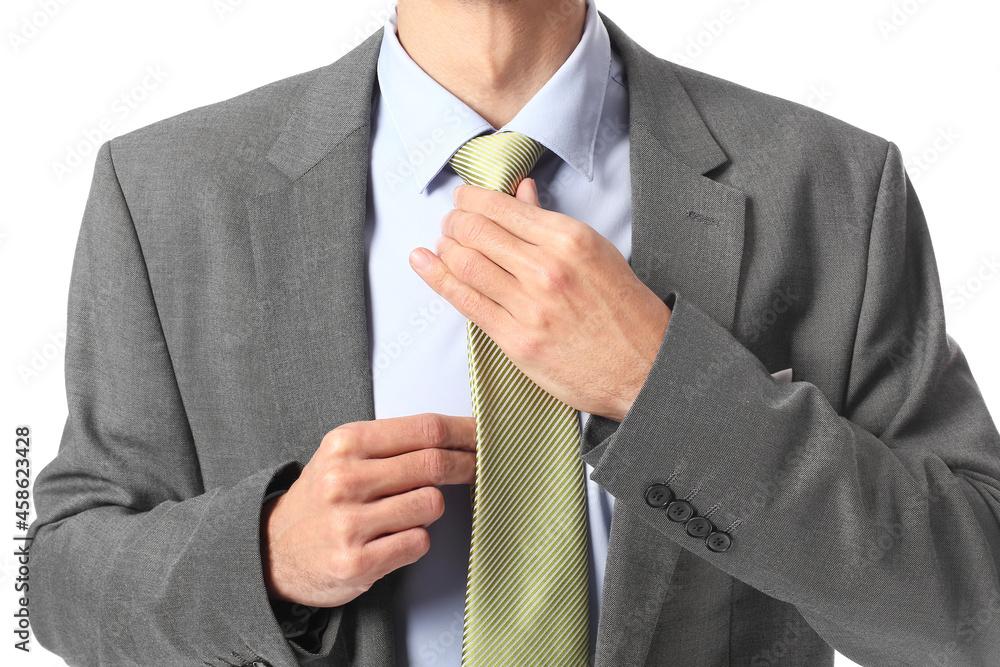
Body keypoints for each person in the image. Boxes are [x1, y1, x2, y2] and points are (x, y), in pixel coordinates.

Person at [27, 0, 1000, 665]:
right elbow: (57, 576)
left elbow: (976, 608)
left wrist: (665, 386)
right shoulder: (164, 193)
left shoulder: (828, 186)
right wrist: (265, 557)